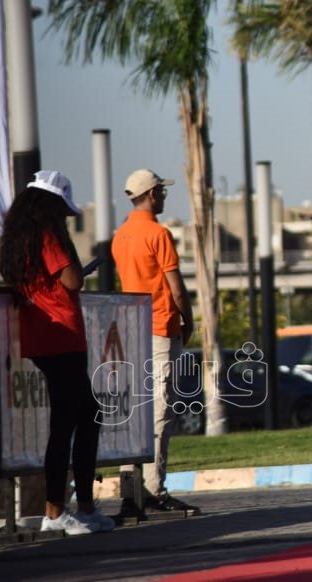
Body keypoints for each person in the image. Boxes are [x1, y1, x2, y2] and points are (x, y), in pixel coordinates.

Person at [0, 170, 114, 534]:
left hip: (42, 336)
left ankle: (77, 506)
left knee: (78, 414)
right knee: (72, 418)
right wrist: (78, 261)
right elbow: (72, 280)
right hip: (62, 334)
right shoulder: (47, 236)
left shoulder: (21, 238)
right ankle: (59, 510)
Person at [111, 168, 198, 515]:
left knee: (133, 411)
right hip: (161, 325)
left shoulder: (120, 236)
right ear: (150, 195)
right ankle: (153, 489)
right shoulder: (158, 233)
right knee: (161, 409)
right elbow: (174, 285)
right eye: (161, 191)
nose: (163, 196)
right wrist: (188, 319)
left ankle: (130, 491)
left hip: (132, 328)